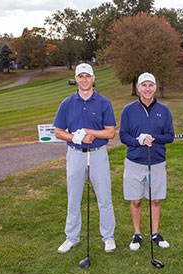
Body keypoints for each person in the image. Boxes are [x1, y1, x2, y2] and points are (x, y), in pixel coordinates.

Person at [54, 63, 117, 254]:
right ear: (76, 79)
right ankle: (71, 237)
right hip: (75, 154)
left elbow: (111, 133)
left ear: (93, 78)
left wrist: (90, 132)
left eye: (87, 76)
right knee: (73, 198)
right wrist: (76, 137)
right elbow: (58, 131)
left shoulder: (104, 102)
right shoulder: (67, 103)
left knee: (104, 198)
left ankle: (108, 237)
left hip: (97, 154)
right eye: (80, 76)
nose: (84, 79)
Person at [120, 72, 174, 251]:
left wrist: (153, 138)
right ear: (138, 87)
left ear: (155, 87)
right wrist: (138, 140)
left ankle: (155, 233)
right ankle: (137, 234)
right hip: (135, 161)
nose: (147, 89)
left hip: (157, 161)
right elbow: (123, 135)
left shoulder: (164, 110)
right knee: (136, 200)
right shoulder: (128, 110)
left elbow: (170, 136)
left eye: (151, 85)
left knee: (155, 200)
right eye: (144, 85)